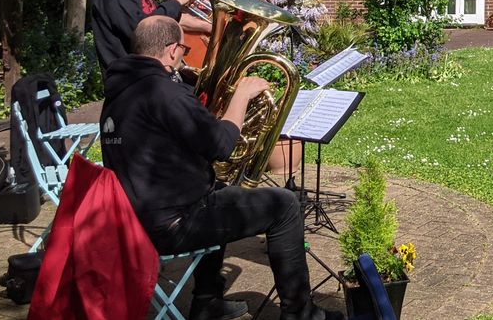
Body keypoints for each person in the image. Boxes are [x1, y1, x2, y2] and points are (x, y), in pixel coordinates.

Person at [101, 16, 342, 320]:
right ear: (172, 49)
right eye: (184, 50)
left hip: (135, 218)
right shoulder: (165, 94)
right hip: (170, 224)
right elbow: (222, 146)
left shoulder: (121, 89)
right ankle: (300, 312)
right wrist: (240, 96)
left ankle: (207, 302)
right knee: (285, 205)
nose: (184, 57)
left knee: (221, 194)